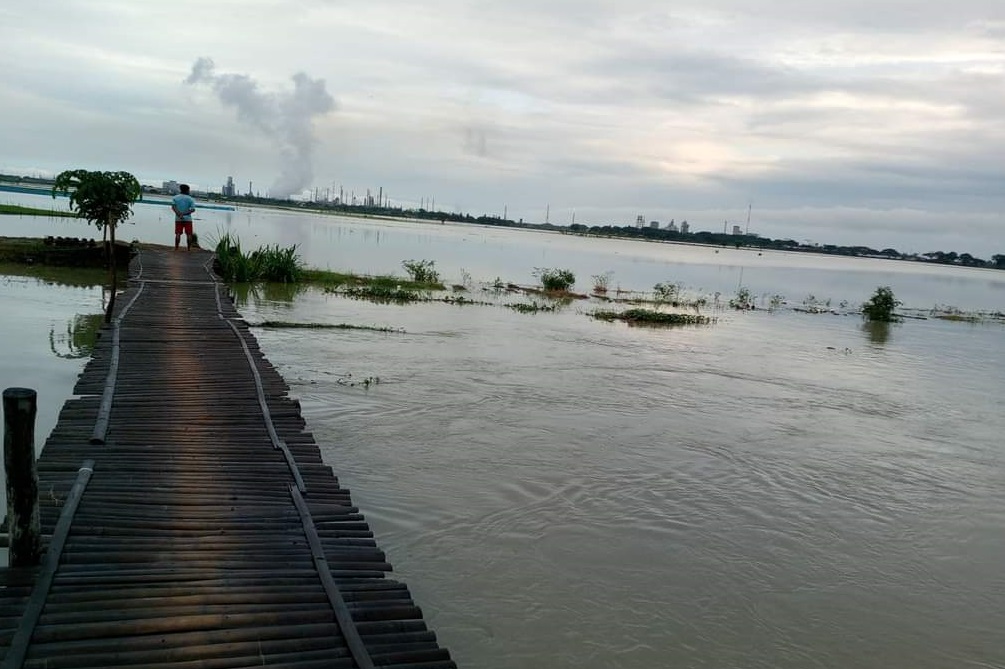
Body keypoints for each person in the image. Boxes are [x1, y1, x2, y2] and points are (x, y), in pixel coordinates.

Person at [171, 184, 196, 250]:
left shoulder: (175, 198)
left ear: (180, 189)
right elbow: (193, 209)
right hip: (188, 219)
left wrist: (179, 214)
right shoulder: (190, 199)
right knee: (189, 234)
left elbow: (173, 207)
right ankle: (188, 248)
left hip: (178, 218)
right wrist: (184, 214)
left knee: (178, 233)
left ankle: (176, 248)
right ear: (187, 190)